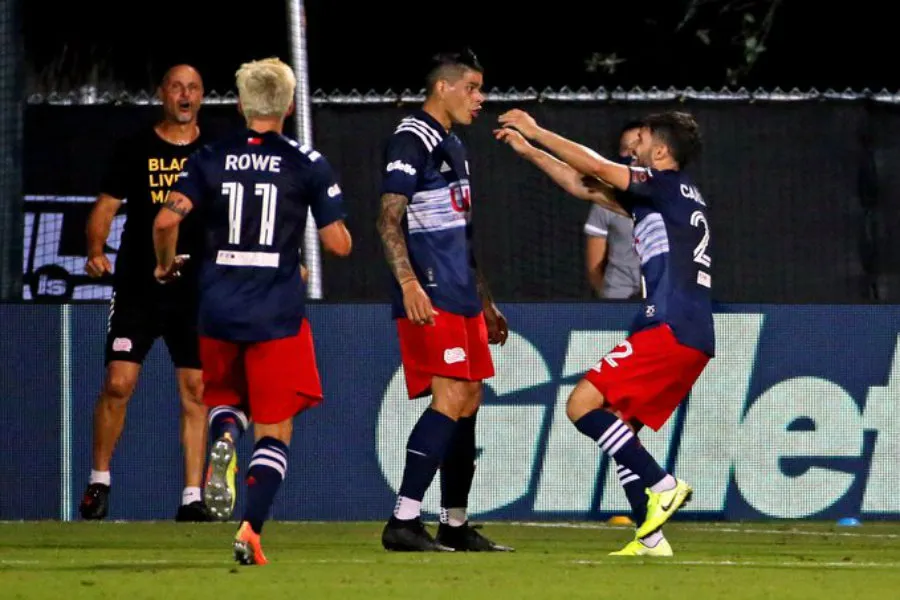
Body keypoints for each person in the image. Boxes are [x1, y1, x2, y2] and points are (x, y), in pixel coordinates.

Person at [152, 56, 352, 565]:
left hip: (218, 308)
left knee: (225, 400)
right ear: (289, 106)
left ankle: (224, 434)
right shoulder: (306, 161)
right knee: (275, 427)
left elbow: (164, 222)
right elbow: (338, 245)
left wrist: (165, 265)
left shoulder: (210, 156)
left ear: (241, 106)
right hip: (276, 315)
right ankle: (250, 531)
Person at [495, 109, 713, 556]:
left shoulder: (662, 184)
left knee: (581, 405)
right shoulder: (669, 196)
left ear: (661, 152)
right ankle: (650, 538)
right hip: (689, 331)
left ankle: (663, 484)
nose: (633, 147)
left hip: (669, 325)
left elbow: (594, 166)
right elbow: (584, 185)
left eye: (642, 139)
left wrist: (536, 130)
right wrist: (529, 151)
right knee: (618, 424)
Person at [376, 49, 512, 552]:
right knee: (451, 396)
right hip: (431, 292)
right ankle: (403, 521)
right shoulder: (412, 138)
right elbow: (388, 218)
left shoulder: (454, 143)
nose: (480, 98)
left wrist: (486, 301)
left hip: (461, 292)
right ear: (443, 87)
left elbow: (462, 234)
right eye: (472, 88)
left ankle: (454, 523)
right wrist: (409, 284)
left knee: (469, 398)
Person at [79, 64, 212, 522]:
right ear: (162, 94)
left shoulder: (213, 151)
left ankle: (193, 497)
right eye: (177, 87)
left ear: (201, 96)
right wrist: (95, 250)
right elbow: (105, 207)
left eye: (193, 88)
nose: (185, 95)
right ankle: (99, 481)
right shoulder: (135, 147)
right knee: (119, 382)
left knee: (196, 389)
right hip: (139, 284)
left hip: (194, 288)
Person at [583, 121, 643, 299]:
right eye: (626, 148)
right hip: (619, 297)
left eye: (637, 145)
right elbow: (594, 267)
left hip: (662, 299)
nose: (632, 154)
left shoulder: (673, 194)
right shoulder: (605, 200)